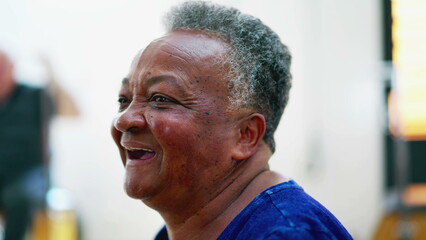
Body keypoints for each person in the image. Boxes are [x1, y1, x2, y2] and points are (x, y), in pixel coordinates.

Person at [111, 1, 353, 239]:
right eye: (124, 100)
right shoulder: (178, 232)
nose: (124, 120)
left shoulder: (287, 234)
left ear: (245, 135)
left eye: (161, 98)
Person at [0, 50, 78, 240]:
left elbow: (73, 111)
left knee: (20, 197)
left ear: (12, 69)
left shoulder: (35, 96)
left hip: (29, 175)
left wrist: (53, 75)